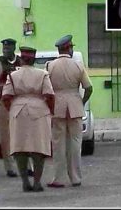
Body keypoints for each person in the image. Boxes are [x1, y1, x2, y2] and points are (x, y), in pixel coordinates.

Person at [2, 46, 55, 192]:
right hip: (39, 109)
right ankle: (37, 182)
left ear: (21, 59)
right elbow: (49, 95)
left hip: (18, 109)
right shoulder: (42, 74)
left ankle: (25, 181)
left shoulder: (13, 75)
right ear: (33, 59)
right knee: (39, 148)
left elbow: (6, 96)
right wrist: (51, 111)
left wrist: (12, 110)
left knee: (20, 148)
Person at [46, 35, 93, 188]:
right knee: (75, 143)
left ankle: (58, 178)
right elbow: (88, 88)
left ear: (59, 49)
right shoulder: (78, 65)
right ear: (69, 48)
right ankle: (75, 178)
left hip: (57, 105)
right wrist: (82, 101)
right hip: (74, 104)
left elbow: (46, 89)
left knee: (58, 144)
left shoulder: (50, 66)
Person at [0, 38, 20, 177]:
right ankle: (10, 167)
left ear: (14, 48)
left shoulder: (20, 61)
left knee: (22, 134)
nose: (5, 50)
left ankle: (26, 165)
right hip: (3, 102)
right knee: (6, 136)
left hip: (19, 101)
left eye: (8, 48)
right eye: (4, 48)